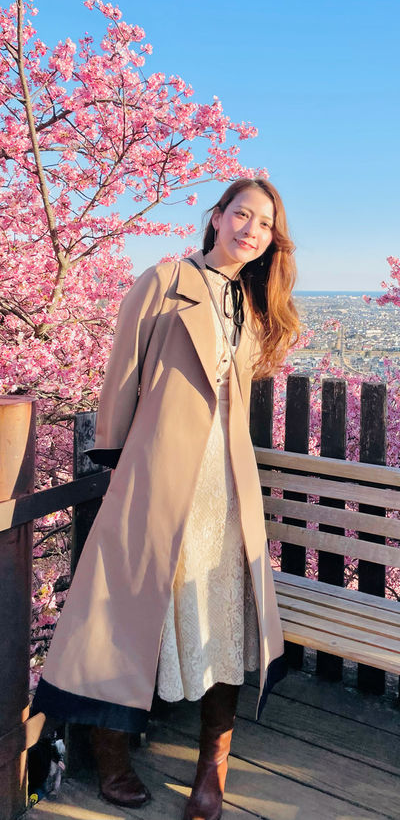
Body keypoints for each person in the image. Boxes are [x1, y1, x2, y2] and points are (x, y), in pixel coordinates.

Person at [32, 178, 301, 820]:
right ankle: (111, 753)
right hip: (158, 472)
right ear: (217, 217)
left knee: (223, 607)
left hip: (226, 481)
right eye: (242, 214)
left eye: (265, 224)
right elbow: (122, 372)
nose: (251, 230)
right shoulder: (164, 280)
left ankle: (214, 763)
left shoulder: (250, 300)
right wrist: (117, 457)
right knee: (127, 606)